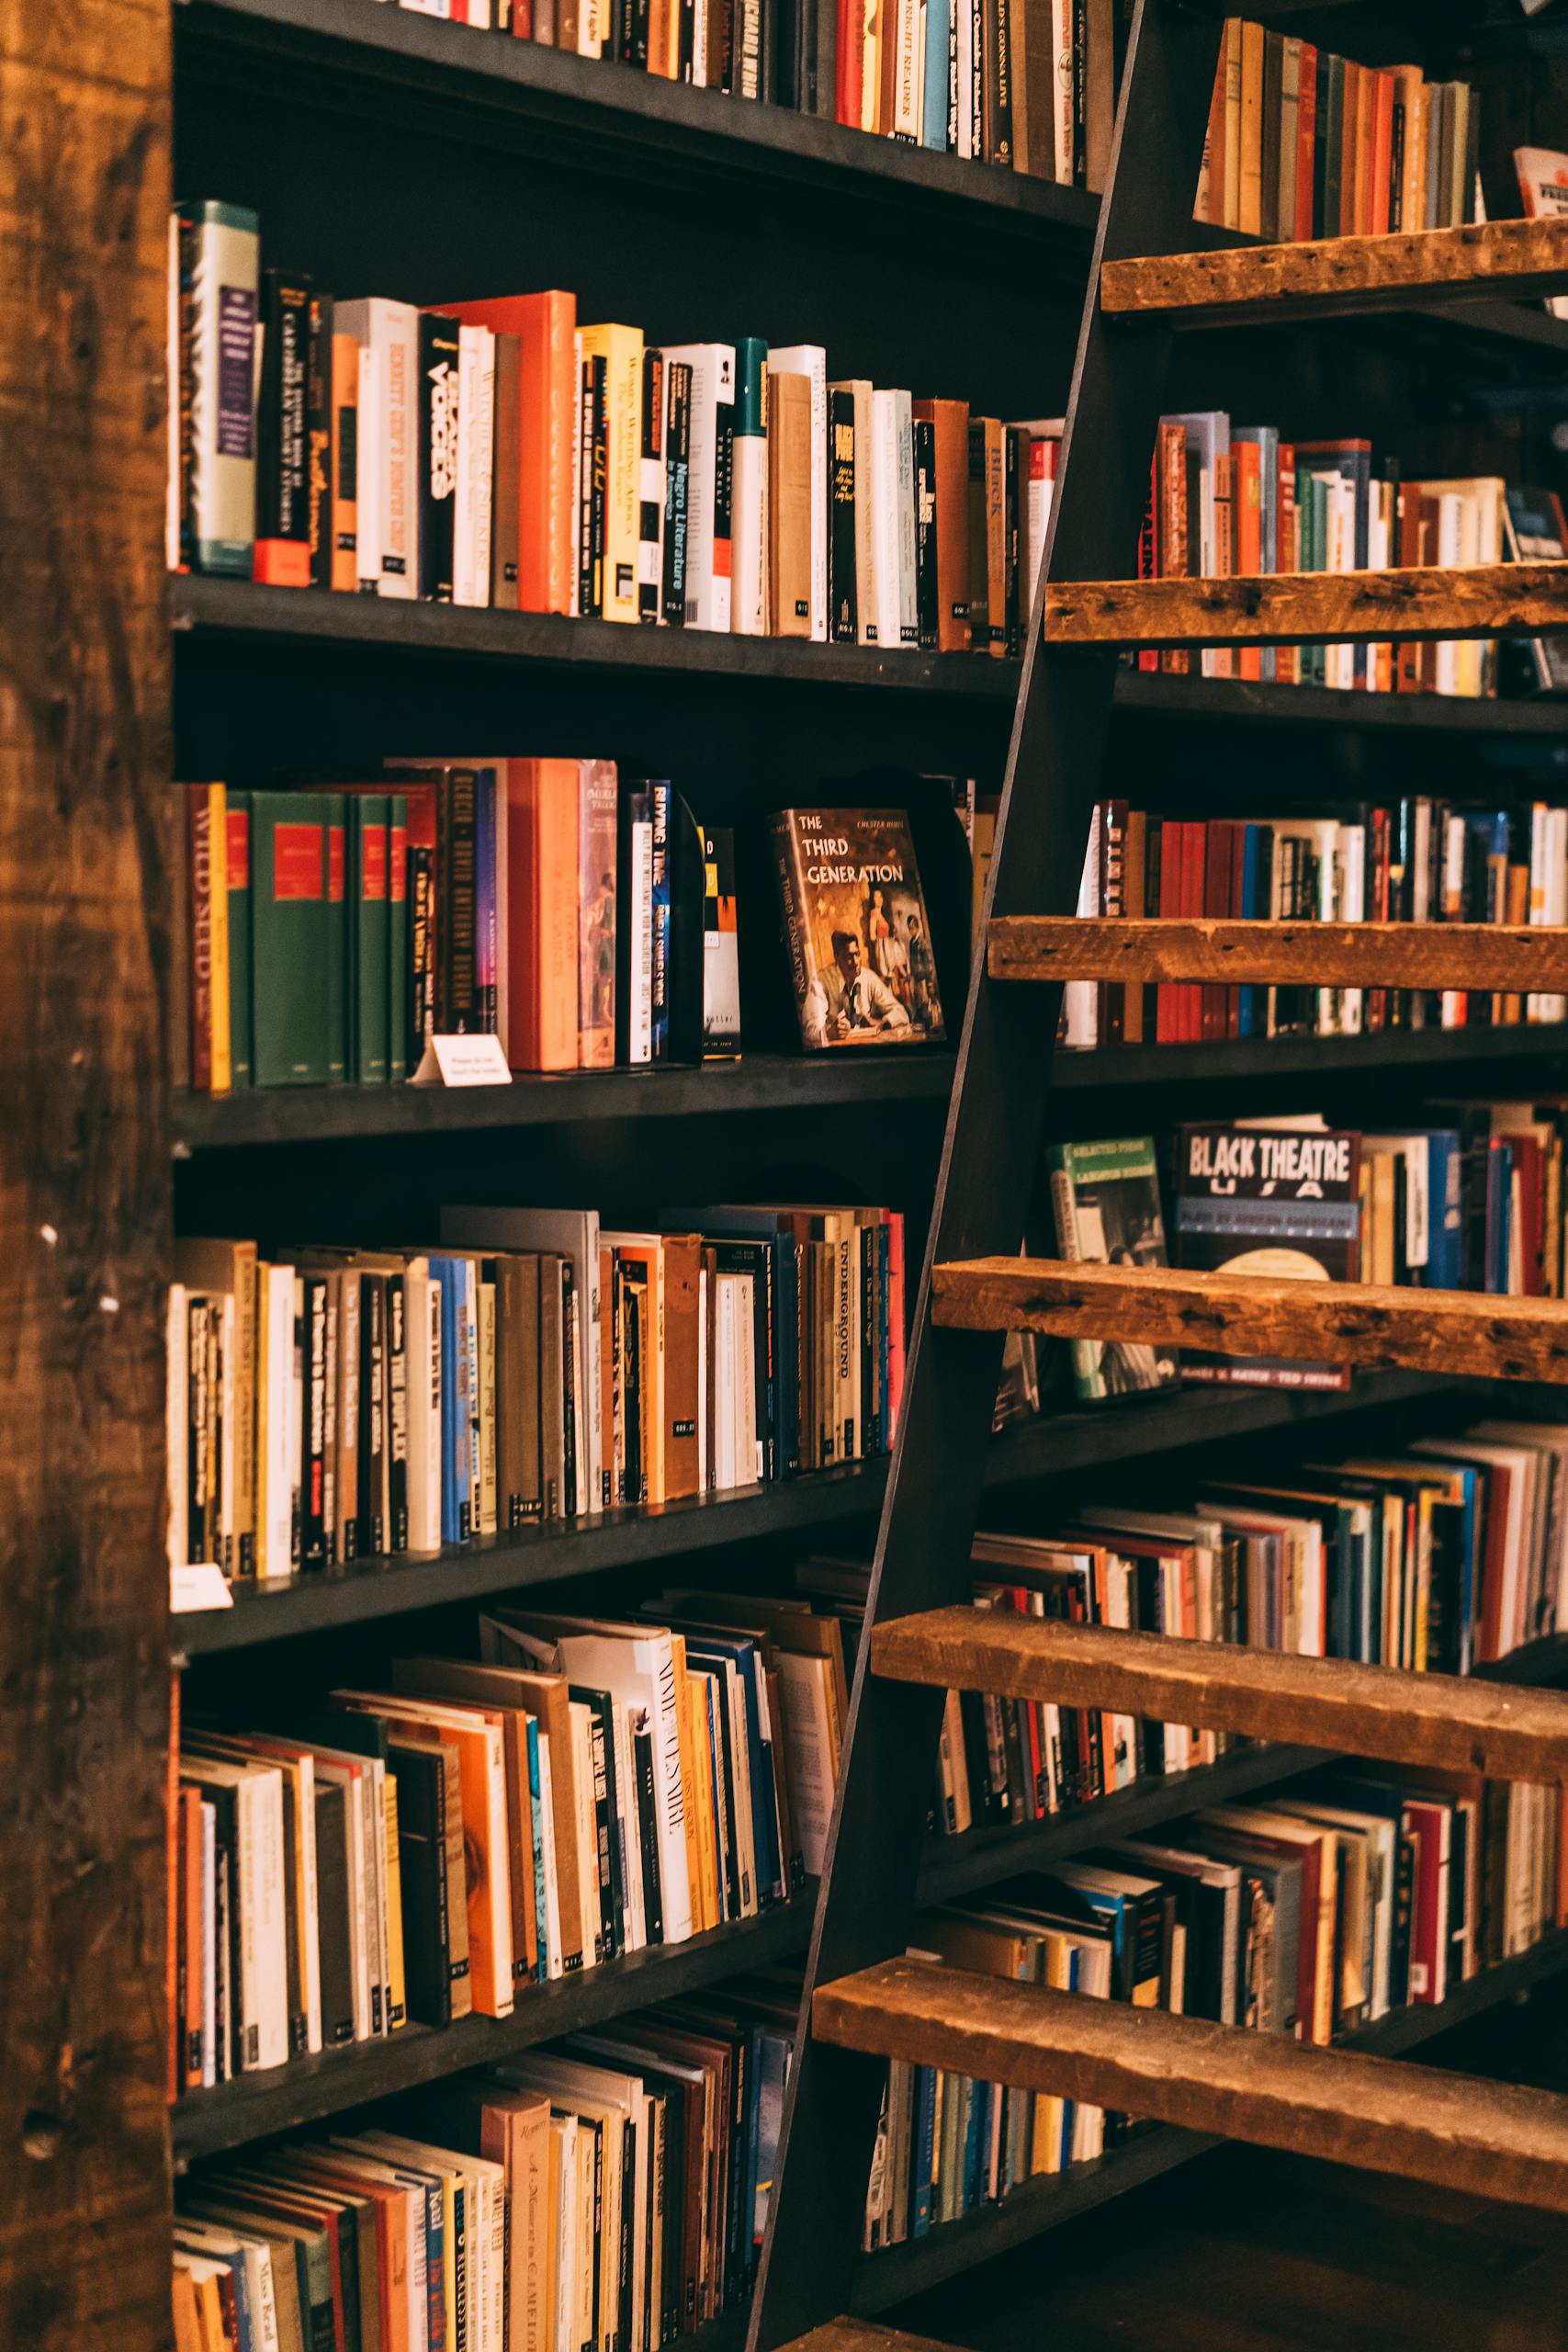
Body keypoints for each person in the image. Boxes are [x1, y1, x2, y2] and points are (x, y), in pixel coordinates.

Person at [802, 929, 913, 1045]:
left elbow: (901, 1012)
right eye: (849, 956)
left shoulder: (869, 978)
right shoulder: (821, 981)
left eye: (857, 954)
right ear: (837, 957)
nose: (855, 962)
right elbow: (810, 1026)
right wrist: (829, 1032)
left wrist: (883, 1023)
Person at [905, 914, 937, 1028]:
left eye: (912, 928)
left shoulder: (922, 942)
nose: (911, 931)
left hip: (923, 977)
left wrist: (928, 978)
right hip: (916, 977)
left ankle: (929, 1024)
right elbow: (911, 960)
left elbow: (928, 962)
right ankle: (922, 1023)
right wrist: (911, 974)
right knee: (917, 1000)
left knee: (925, 1001)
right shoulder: (911, 942)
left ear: (917, 928)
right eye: (909, 929)